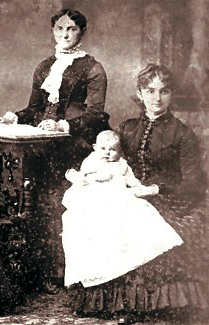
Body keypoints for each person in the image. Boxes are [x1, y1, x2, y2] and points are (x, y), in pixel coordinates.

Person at [67, 64, 208, 324]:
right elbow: (104, 159)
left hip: (169, 198)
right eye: (150, 90)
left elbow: (194, 185)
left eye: (164, 91)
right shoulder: (126, 128)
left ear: (171, 94)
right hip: (128, 194)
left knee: (145, 228)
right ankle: (111, 299)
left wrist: (154, 189)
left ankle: (146, 304)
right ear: (139, 93)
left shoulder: (183, 134)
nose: (157, 98)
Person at [0, 9, 110, 290]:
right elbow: (35, 109)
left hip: (76, 142)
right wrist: (17, 115)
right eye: (59, 28)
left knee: (58, 200)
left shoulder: (93, 68)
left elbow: (96, 115)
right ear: (52, 31)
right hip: (41, 139)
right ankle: (33, 270)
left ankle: (63, 273)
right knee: (29, 196)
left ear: (82, 33)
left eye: (71, 29)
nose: (64, 34)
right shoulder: (44, 66)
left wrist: (62, 125)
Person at [62, 130, 183, 290]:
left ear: (119, 151)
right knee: (86, 219)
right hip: (94, 196)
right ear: (94, 147)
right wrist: (84, 177)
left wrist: (141, 188)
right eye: (103, 148)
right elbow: (82, 176)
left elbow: (132, 180)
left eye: (112, 150)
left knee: (137, 212)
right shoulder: (91, 161)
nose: (107, 153)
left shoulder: (122, 165)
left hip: (117, 196)